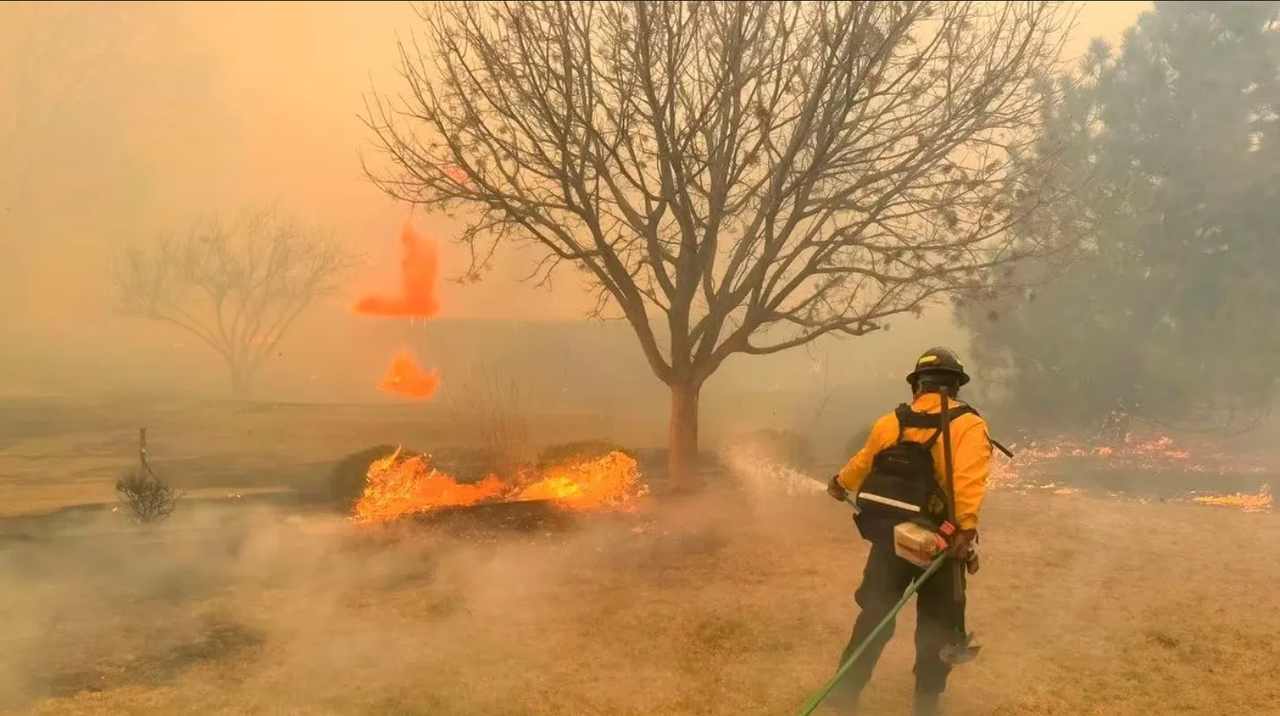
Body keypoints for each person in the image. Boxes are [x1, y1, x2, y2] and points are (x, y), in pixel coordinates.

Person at [825, 347, 992, 716]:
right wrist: (964, 530)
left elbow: (863, 463)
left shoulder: (890, 422)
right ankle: (926, 703)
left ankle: (845, 692)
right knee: (935, 625)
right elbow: (968, 482)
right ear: (956, 387)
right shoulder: (969, 425)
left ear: (918, 385)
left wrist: (840, 483)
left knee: (874, 615)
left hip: (891, 538)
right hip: (940, 544)